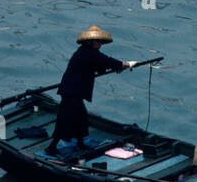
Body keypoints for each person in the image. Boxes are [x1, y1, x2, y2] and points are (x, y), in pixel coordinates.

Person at [45, 25, 136, 157]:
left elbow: (99, 66)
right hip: (71, 92)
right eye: (98, 41)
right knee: (66, 119)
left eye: (100, 42)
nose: (100, 44)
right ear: (90, 42)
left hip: (75, 92)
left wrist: (116, 67)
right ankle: (52, 147)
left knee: (80, 118)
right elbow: (106, 61)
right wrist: (125, 64)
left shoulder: (86, 52)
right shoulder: (87, 53)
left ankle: (80, 142)